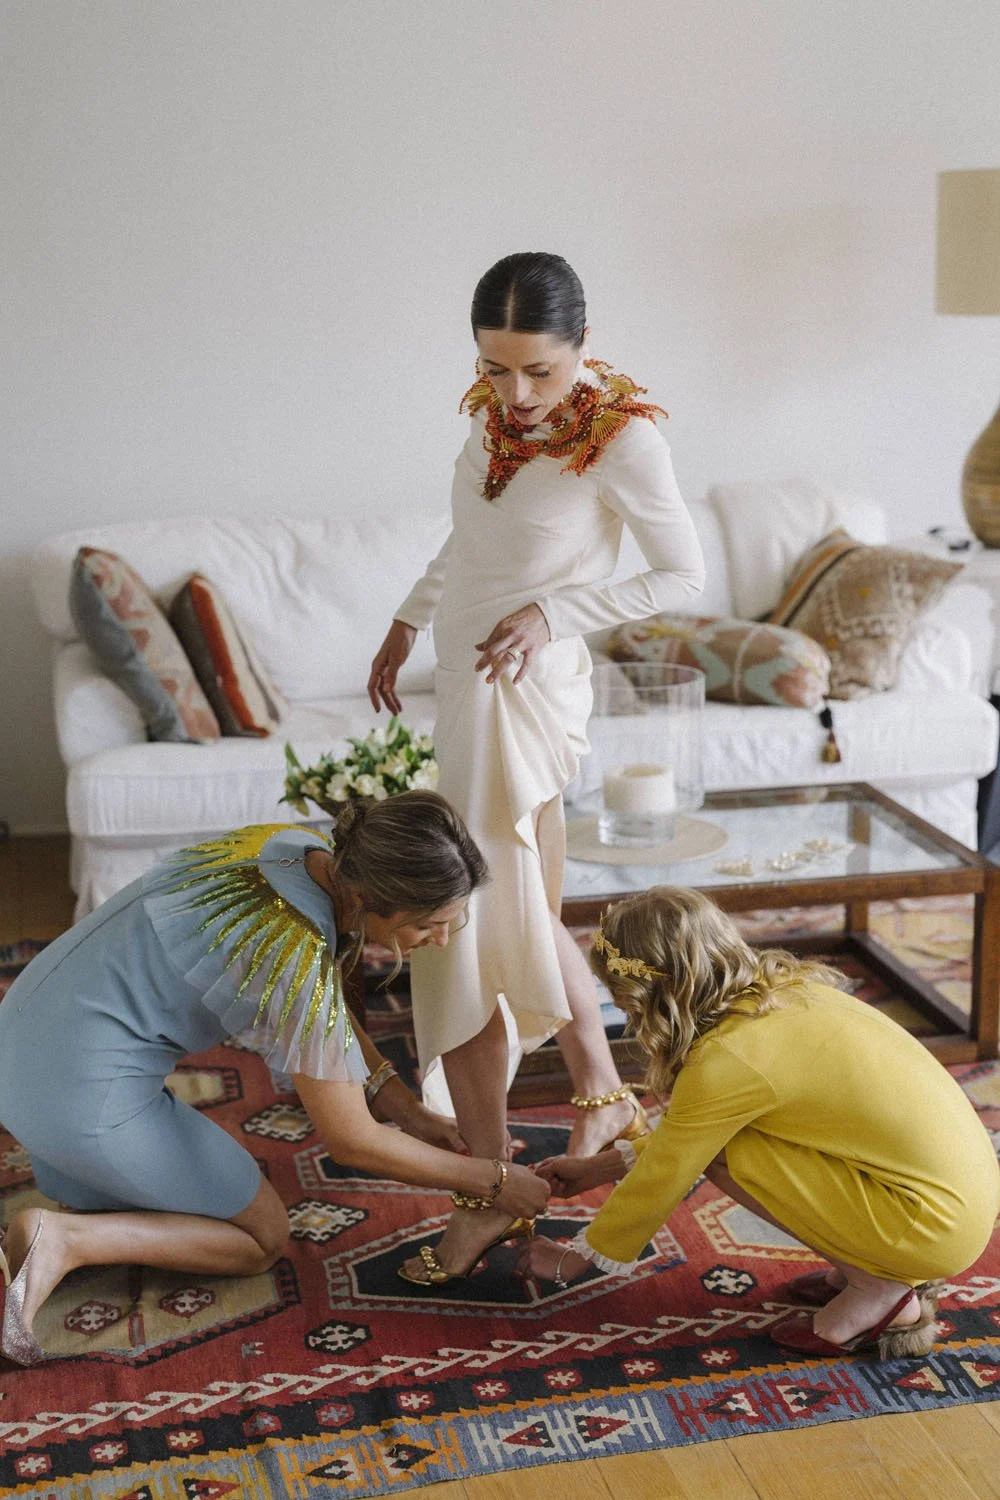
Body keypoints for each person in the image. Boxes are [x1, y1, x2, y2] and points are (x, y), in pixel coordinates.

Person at [367, 252, 705, 1284]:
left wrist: (553, 614)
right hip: (468, 676)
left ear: (582, 351)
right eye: (495, 366)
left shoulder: (624, 438)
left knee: (461, 914)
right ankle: (601, 1091)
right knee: (516, 902)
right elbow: (473, 543)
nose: (514, 394)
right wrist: (402, 623)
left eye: (539, 373)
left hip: (528, 684)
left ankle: (485, 1177)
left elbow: (682, 572)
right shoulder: (493, 415)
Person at [0, 792, 549, 1366]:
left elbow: (322, 1007)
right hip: (77, 1095)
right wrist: (494, 1179)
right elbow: (352, 1139)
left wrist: (404, 1106)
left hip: (24, 1036)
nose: (441, 939)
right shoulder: (295, 947)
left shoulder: (290, 846)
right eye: (429, 924)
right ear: (367, 897)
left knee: (180, 1197)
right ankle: (61, 1241)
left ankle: (87, 1205)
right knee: (261, 1236)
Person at [519, 886, 1000, 1359]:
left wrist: (574, 1257)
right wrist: (596, 1171)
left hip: (929, 1224)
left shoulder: (725, 1059)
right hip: (960, 1198)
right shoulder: (785, 992)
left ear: (644, 996)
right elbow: (689, 1136)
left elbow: (668, 1170)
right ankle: (863, 1262)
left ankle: (880, 1289)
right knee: (733, 1139)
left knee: (730, 1154)